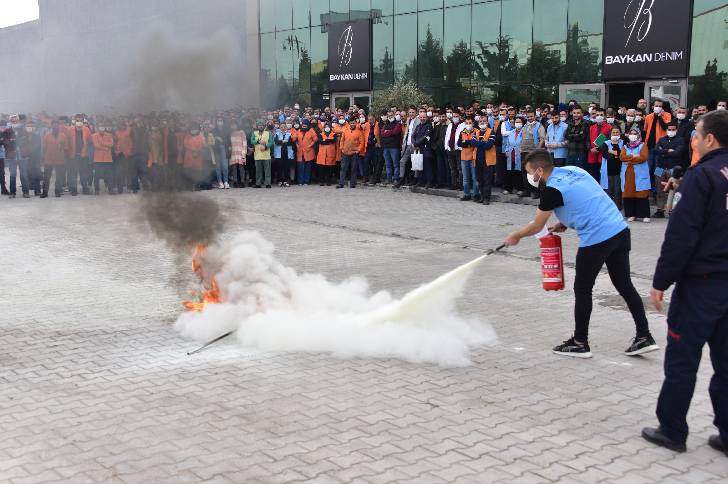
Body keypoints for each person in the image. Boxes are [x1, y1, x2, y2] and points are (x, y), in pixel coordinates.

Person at [504, 149, 658, 358]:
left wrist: (516, 235)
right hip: (619, 230)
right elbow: (587, 198)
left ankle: (580, 342)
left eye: (530, 172)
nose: (530, 177)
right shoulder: (574, 170)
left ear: (539, 170)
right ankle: (644, 336)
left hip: (597, 238)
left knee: (582, 289)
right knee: (624, 285)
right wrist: (564, 222)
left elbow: (537, 225)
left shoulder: (551, 190)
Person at [642, 109, 728, 455]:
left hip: (702, 286)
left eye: (696, 135)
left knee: (682, 359)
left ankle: (672, 429)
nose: (692, 141)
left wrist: (661, 281)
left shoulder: (702, 175)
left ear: (709, 139)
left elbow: (682, 235)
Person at [652, 121, 686, 218]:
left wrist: (662, 151)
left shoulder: (681, 140)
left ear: (676, 130)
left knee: (674, 190)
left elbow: (678, 153)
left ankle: (673, 210)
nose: (671, 131)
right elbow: (656, 151)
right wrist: (668, 150)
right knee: (659, 189)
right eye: (669, 129)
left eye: (673, 129)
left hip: (673, 168)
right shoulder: (661, 139)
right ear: (666, 130)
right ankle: (660, 210)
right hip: (659, 168)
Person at [620, 127, 651, 222]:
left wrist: (629, 158)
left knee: (641, 194)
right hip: (628, 175)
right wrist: (634, 156)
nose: (633, 135)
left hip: (640, 174)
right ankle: (631, 214)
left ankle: (645, 215)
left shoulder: (643, 145)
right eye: (631, 133)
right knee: (629, 194)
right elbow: (622, 157)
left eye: (635, 133)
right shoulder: (625, 147)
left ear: (638, 135)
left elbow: (643, 157)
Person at [519, 109, 546, 198]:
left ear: (535, 116)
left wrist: (537, 150)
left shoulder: (539, 126)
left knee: (534, 172)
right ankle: (526, 191)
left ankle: (536, 192)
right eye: (528, 116)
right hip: (524, 151)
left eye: (531, 116)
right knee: (524, 171)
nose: (530, 118)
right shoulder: (525, 125)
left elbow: (542, 139)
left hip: (534, 152)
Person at [599, 126, 624, 210]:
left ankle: (618, 207)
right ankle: (608, 208)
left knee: (617, 191)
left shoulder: (623, 143)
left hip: (619, 170)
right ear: (610, 133)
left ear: (620, 133)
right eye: (613, 132)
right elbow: (606, 155)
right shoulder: (605, 143)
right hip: (608, 170)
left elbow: (622, 155)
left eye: (617, 132)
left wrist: (612, 152)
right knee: (608, 190)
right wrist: (616, 154)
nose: (615, 134)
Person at [40, 120, 68, 198]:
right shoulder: (47, 135)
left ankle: (57, 191)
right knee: (46, 177)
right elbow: (44, 147)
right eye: (54, 126)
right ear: (51, 126)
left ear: (58, 126)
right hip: (48, 159)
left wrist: (64, 157)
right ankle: (45, 192)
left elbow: (66, 148)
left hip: (59, 159)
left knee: (59, 177)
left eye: (57, 126)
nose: (55, 127)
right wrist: (43, 157)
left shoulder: (63, 136)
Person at [586, 107, 611, 182]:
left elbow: (609, 140)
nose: (599, 116)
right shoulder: (591, 127)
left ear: (604, 116)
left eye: (601, 115)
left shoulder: (609, 127)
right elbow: (587, 140)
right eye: (597, 115)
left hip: (602, 155)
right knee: (593, 177)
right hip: (592, 154)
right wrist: (590, 148)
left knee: (602, 177)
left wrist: (598, 149)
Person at [412, 109, 434, 188]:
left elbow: (425, 137)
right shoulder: (418, 126)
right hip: (419, 149)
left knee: (428, 166)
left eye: (424, 117)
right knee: (419, 166)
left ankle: (429, 182)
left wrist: (416, 143)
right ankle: (421, 181)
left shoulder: (429, 126)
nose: (422, 119)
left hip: (426, 149)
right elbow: (413, 136)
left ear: (426, 117)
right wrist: (414, 143)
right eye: (421, 117)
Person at [379, 109, 402, 185]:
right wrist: (390, 132)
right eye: (388, 116)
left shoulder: (398, 124)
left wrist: (388, 132)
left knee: (396, 164)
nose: (390, 117)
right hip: (386, 147)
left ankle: (396, 179)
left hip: (394, 147)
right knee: (388, 164)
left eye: (391, 115)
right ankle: (389, 179)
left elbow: (396, 132)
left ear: (394, 115)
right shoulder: (386, 124)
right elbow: (382, 133)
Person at [291, 119, 317, 185]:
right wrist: (294, 139)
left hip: (309, 151)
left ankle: (306, 181)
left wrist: (310, 145)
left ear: (308, 125)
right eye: (303, 125)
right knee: (300, 167)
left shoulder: (311, 131)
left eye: (305, 126)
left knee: (308, 168)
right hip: (300, 152)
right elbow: (294, 139)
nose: (304, 127)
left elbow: (315, 139)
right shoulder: (299, 131)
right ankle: (300, 181)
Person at [250, 121, 273, 188]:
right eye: (259, 125)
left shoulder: (268, 133)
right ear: (257, 126)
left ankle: (268, 183)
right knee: (258, 171)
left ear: (264, 126)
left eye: (262, 125)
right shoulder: (254, 133)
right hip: (257, 155)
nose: (260, 126)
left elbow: (271, 142)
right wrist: (257, 141)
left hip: (266, 155)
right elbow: (252, 141)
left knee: (267, 170)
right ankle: (258, 183)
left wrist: (266, 146)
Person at [229, 122, 247, 187]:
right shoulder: (231, 133)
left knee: (241, 167)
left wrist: (244, 152)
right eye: (232, 125)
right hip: (233, 152)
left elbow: (244, 143)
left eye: (234, 124)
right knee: (234, 168)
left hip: (240, 152)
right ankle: (235, 182)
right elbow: (230, 144)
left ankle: (242, 182)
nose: (233, 126)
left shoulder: (242, 132)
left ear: (237, 125)